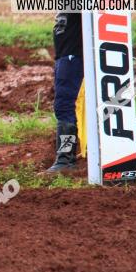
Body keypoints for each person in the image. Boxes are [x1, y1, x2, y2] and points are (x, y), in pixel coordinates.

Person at [46, 10, 84, 172]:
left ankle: (66, 159)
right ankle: (66, 157)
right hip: (65, 58)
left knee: (64, 106)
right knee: (65, 106)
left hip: (72, 58)